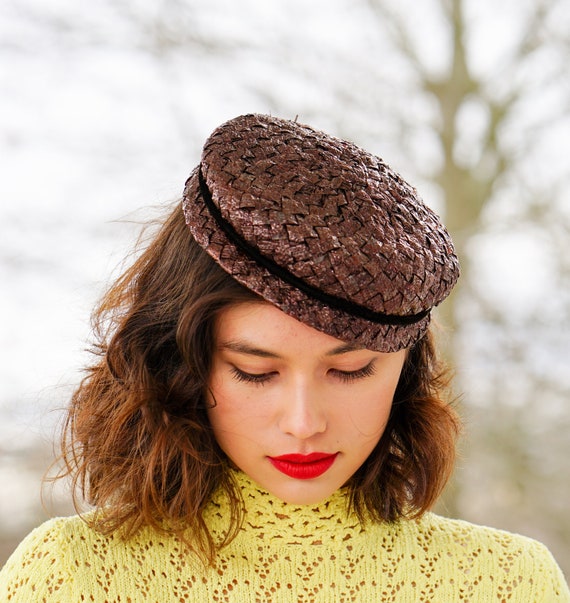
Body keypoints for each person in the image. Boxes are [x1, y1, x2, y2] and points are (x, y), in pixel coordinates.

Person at [0, 113, 568, 602]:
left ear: (406, 368)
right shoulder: (69, 576)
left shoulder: (508, 583)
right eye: (255, 371)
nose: (303, 423)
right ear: (179, 360)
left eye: (350, 370)